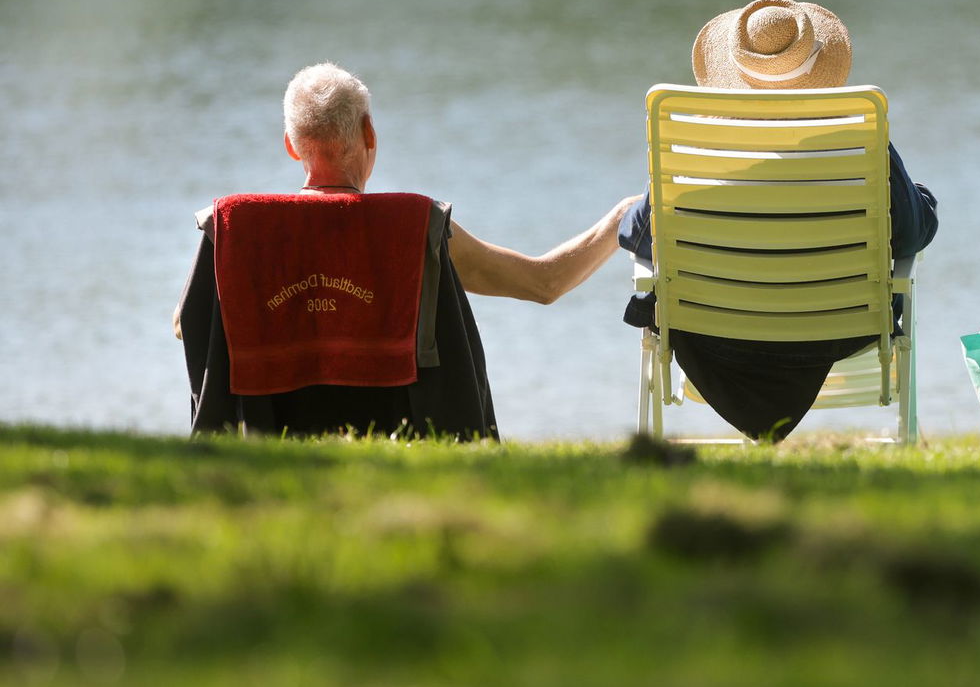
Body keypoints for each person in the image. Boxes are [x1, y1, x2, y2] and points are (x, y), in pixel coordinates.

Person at [177, 61, 638, 437]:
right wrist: (622, 218)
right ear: (369, 134)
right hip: (403, 427)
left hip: (274, 425)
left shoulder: (239, 231)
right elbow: (543, 282)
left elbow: (187, 325)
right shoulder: (416, 228)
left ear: (292, 148)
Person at [619, 0, 937, 442]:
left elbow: (636, 235)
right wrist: (922, 201)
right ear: (821, 67)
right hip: (836, 330)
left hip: (711, 335)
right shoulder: (861, 143)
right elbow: (907, 237)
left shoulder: (693, 148)